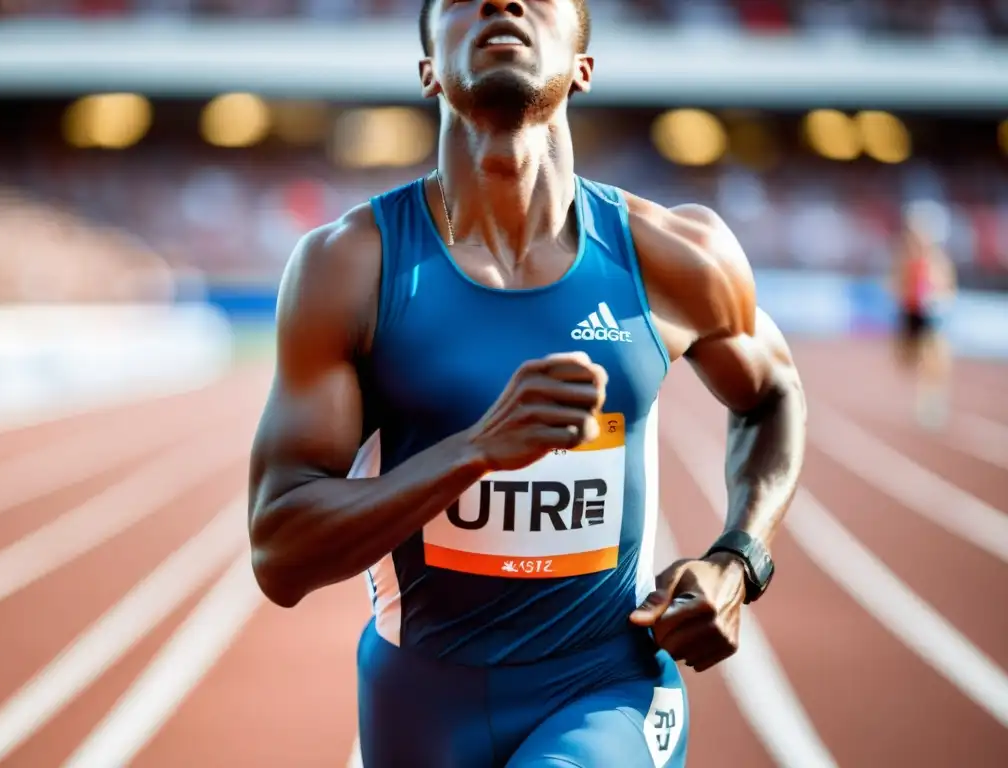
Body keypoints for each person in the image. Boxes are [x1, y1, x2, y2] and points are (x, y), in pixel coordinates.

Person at [247, 1, 807, 765]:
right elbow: (279, 553)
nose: (502, 0)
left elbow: (773, 395)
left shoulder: (676, 255)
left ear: (583, 68)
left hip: (604, 688)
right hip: (416, 701)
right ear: (428, 74)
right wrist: (475, 452)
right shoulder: (348, 269)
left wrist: (740, 557)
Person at [890, 210, 957, 429]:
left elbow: (948, 287)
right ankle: (927, 393)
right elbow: (897, 284)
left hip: (931, 315)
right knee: (907, 360)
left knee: (934, 357)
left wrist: (940, 300)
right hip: (910, 313)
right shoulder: (905, 261)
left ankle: (930, 402)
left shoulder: (938, 261)